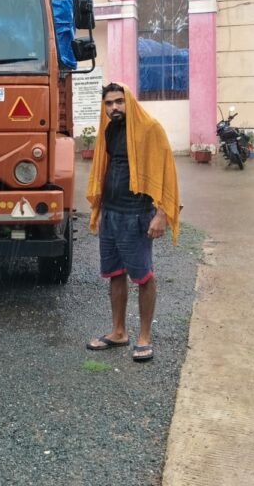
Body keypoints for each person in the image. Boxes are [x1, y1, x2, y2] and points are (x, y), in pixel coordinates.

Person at [84, 82, 180, 362]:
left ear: (129, 101)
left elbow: (166, 171)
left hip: (137, 213)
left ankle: (144, 337)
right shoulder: (110, 131)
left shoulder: (150, 128)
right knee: (115, 274)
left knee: (143, 276)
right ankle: (118, 332)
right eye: (108, 103)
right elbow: (108, 168)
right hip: (111, 212)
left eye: (118, 101)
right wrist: (100, 208)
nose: (114, 107)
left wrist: (161, 214)